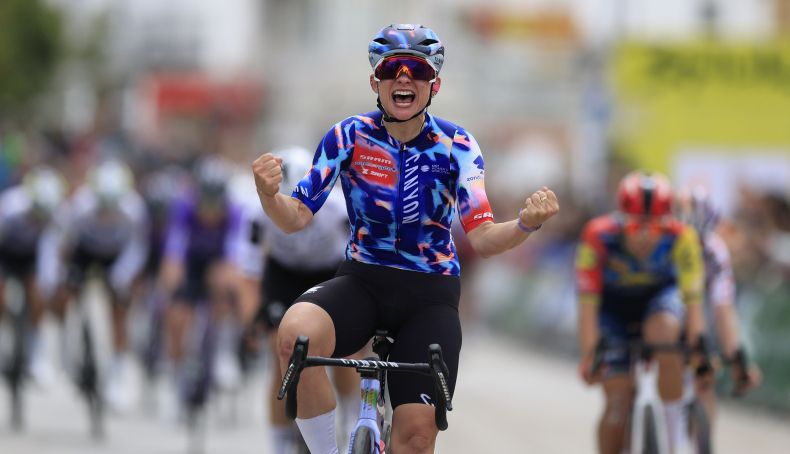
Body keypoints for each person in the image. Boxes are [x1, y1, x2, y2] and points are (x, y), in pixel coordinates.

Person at [251, 24, 559, 454]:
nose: (404, 78)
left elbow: (485, 239)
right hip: (362, 281)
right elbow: (295, 217)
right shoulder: (347, 136)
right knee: (294, 338)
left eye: (418, 70)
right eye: (392, 68)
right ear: (374, 81)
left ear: (435, 85)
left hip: (429, 295)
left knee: (415, 437)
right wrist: (269, 196)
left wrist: (525, 223)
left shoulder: (457, 145)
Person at [235, 146, 359, 453]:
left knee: (347, 354)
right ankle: (279, 445)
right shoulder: (258, 212)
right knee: (281, 359)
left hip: (330, 273)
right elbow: (249, 274)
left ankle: (352, 421)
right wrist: (251, 324)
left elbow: (357, 263)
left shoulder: (340, 208)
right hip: (283, 275)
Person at [576, 170, 709, 454]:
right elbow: (587, 305)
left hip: (658, 300)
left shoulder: (683, 237)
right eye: (637, 227)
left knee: (665, 335)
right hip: (612, 309)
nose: (646, 237)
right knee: (617, 403)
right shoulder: (597, 235)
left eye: (656, 228)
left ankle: (675, 442)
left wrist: (698, 350)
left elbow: (694, 303)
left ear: (668, 222)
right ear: (621, 219)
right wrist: (590, 358)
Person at [46, 158, 149, 412]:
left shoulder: (134, 209)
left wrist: (122, 275)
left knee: (120, 310)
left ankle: (117, 377)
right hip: (84, 253)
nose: (107, 213)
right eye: (103, 205)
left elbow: (138, 248)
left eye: (112, 206)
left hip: (116, 256)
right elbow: (61, 241)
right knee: (64, 294)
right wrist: (59, 273)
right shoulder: (80, 205)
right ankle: (63, 355)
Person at [158, 154, 244, 415]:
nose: (209, 210)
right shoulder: (184, 208)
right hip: (191, 265)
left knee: (227, 284)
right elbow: (174, 249)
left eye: (214, 203)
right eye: (205, 202)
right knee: (176, 316)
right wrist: (172, 274)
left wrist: (229, 274)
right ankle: (175, 375)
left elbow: (235, 251)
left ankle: (224, 351)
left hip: (218, 264)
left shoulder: (234, 212)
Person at [675, 185, 762, 422]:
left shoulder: (715, 251)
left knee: (705, 375)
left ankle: (702, 431)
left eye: (699, 243)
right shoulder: (667, 242)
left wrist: (737, 359)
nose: (693, 250)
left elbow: (723, 308)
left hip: (699, 307)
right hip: (673, 303)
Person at [0, 166, 67, 387]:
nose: (40, 219)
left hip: (32, 256)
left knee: (38, 296)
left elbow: (50, 253)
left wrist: (46, 285)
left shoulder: (58, 214)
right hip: (5, 253)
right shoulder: (10, 206)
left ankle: (36, 353)